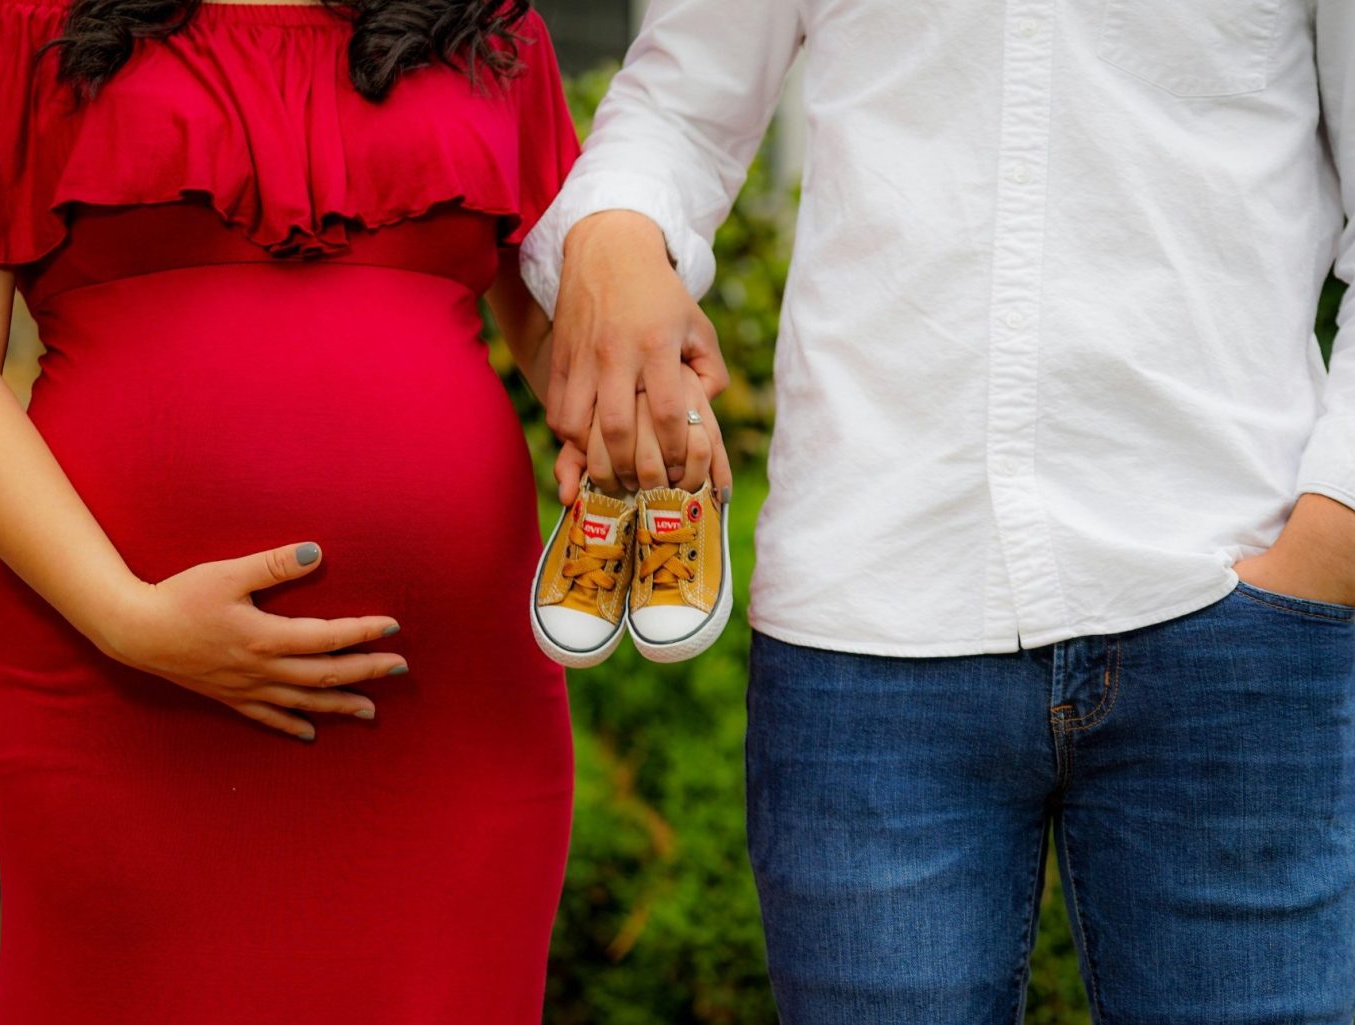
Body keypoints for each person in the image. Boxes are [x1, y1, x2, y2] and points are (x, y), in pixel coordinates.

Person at [521, 1, 1355, 1021]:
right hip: (865, 618)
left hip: (1232, 604)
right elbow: (680, 110)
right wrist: (614, 233)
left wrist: (1332, 538)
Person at [0, 0, 581, 1020]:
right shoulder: (26, 22)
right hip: (120, 703)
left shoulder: (492, 28)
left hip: (444, 718)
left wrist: (633, 398)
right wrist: (127, 618)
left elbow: (556, 337)